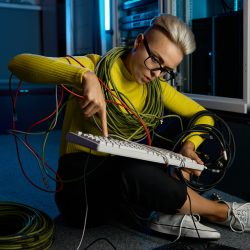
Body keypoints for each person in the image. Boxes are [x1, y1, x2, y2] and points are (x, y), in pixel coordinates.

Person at [8, 14, 250, 240]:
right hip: (80, 191)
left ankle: (171, 213)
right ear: (139, 41)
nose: (157, 73)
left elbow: (204, 116)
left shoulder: (155, 88)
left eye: (166, 70)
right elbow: (19, 63)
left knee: (181, 136)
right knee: (131, 167)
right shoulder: (94, 66)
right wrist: (84, 77)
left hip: (124, 186)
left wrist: (189, 145)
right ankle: (219, 212)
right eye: (155, 60)